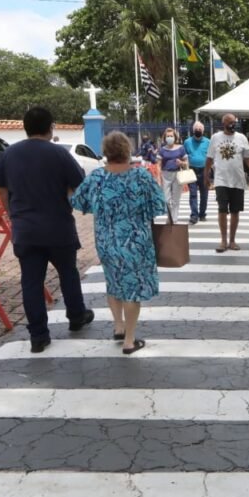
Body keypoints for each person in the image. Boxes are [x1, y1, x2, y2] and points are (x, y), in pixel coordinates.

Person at [0, 106, 93, 354]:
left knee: (31, 282)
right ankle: (76, 316)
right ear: (50, 127)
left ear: (25, 127)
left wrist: (12, 215)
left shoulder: (9, 154)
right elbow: (79, 185)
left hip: (25, 229)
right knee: (68, 273)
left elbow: (2, 190)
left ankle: (38, 335)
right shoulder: (59, 153)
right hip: (58, 226)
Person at [71, 131, 165, 355]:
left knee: (113, 282)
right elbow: (158, 205)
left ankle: (118, 326)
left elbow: (79, 201)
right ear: (126, 150)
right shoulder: (140, 176)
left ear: (106, 151)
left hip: (106, 240)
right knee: (132, 289)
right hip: (136, 241)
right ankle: (129, 340)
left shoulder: (96, 177)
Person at [205, 113, 249, 253]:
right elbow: (209, 158)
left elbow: (248, 157)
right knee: (222, 209)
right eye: (229, 122)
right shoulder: (215, 138)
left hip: (238, 180)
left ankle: (232, 240)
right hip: (221, 180)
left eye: (234, 122)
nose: (232, 124)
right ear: (223, 123)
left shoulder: (242, 138)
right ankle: (223, 240)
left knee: (235, 211)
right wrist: (206, 176)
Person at [156, 127, 188, 221]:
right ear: (165, 138)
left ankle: (174, 219)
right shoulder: (162, 150)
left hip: (177, 174)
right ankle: (170, 217)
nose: (169, 138)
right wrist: (158, 177)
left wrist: (181, 163)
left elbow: (186, 162)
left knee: (176, 199)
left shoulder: (180, 148)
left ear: (175, 137)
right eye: (168, 136)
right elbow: (158, 164)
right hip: (165, 175)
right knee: (166, 200)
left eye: (171, 136)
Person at [184, 120, 210, 224]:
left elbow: (211, 156)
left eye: (200, 129)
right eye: (196, 129)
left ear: (203, 131)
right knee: (193, 193)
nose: (198, 130)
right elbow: (184, 156)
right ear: (193, 130)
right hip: (192, 170)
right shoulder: (187, 142)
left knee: (204, 193)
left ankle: (202, 214)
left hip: (204, 170)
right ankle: (194, 215)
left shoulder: (208, 142)